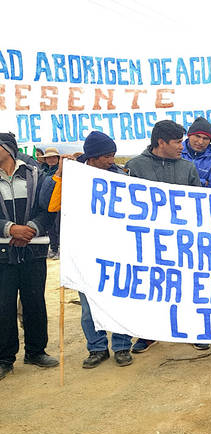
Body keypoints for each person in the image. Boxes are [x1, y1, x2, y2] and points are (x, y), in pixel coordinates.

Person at [45, 131, 135, 368]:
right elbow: (53, 206)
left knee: (119, 300)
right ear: (93, 156)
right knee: (88, 306)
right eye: (106, 156)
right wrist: (61, 174)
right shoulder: (73, 177)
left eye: (113, 155)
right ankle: (96, 348)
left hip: (116, 250)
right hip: (84, 251)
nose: (111, 161)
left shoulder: (120, 175)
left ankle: (122, 346)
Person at [125, 120, 206, 352]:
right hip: (147, 242)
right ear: (161, 142)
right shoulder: (135, 167)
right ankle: (147, 334)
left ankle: (192, 330)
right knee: (150, 287)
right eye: (178, 142)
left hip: (182, 241)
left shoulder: (188, 168)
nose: (183, 146)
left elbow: (198, 204)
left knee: (187, 286)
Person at [0, 132, 59, 381]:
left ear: (9, 149)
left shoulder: (35, 175)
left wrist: (32, 227)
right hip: (3, 253)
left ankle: (36, 351)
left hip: (33, 250)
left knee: (34, 301)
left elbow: (48, 209)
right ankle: (4, 358)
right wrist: (10, 229)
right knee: (3, 306)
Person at [180, 116, 211, 188]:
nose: (200, 142)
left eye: (205, 138)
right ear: (189, 135)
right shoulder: (176, 151)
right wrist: (203, 182)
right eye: (197, 136)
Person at [36, 147, 62, 259]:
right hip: (46, 204)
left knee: (59, 227)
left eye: (53, 157)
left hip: (59, 204)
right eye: (48, 158)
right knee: (51, 227)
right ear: (45, 160)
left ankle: (59, 249)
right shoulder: (43, 172)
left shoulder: (63, 171)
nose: (51, 160)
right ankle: (54, 248)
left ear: (57, 158)